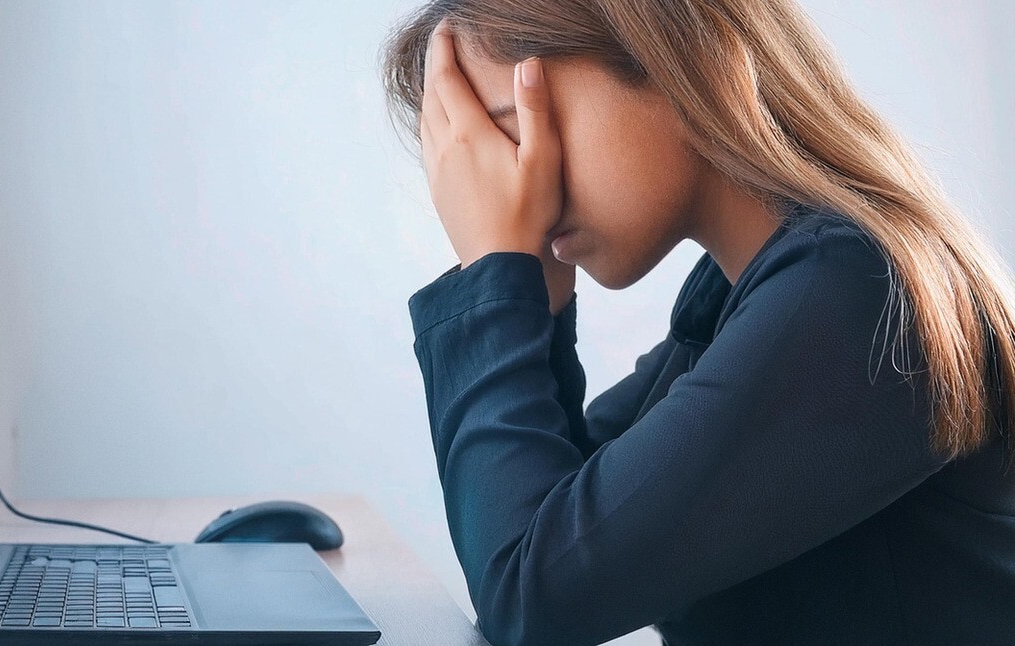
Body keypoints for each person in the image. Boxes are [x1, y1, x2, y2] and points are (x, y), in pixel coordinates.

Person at [379, 2, 1015, 645]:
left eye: (519, 132)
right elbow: (559, 526)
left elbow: (532, 595)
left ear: (672, 64)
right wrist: (524, 289)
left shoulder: (858, 299)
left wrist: (497, 266)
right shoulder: (743, 301)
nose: (523, 188)